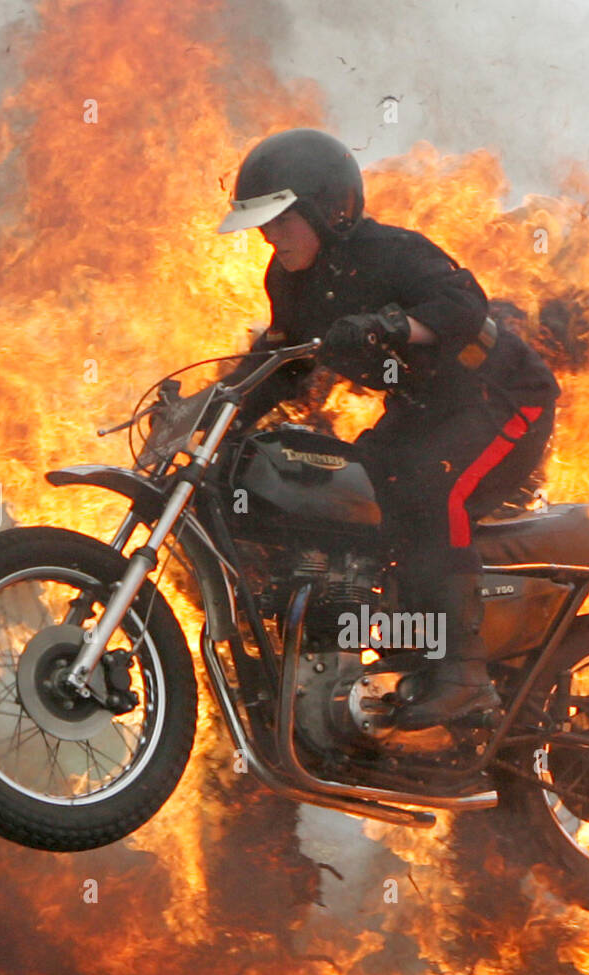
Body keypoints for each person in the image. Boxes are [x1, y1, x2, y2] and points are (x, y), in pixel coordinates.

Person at [217, 128, 560, 729]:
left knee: (433, 487)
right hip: (422, 409)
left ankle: (464, 676)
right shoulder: (288, 280)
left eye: (280, 220)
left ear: (327, 210)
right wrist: (214, 408)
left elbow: (464, 306)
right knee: (359, 497)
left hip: (501, 396)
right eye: (261, 223)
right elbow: (284, 365)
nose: (267, 236)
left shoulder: (392, 252)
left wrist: (389, 325)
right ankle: (400, 654)